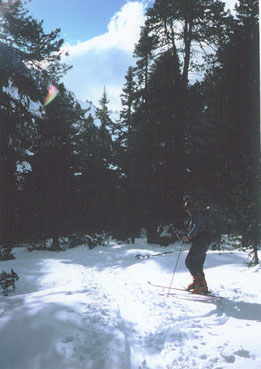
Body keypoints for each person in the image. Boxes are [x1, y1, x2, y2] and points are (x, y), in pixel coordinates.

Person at [181, 200, 210, 294]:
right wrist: (181, 231)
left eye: (188, 209)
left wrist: (188, 236)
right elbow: (193, 229)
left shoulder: (198, 216)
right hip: (204, 242)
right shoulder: (198, 216)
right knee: (198, 263)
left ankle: (201, 285)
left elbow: (196, 228)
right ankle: (200, 284)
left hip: (201, 242)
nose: (188, 211)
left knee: (189, 261)